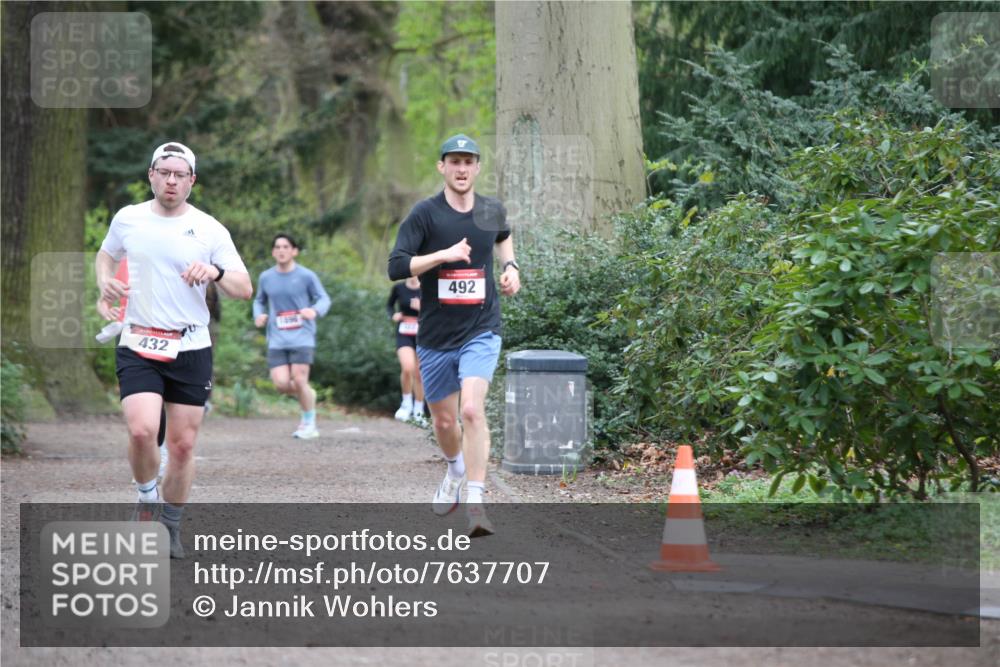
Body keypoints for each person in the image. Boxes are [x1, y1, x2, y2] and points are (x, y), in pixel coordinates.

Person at [96, 141, 252, 558]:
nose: (171, 180)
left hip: (190, 346)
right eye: (163, 172)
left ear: (191, 181)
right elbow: (106, 256)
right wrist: (104, 284)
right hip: (139, 340)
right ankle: (147, 497)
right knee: (142, 429)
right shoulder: (128, 219)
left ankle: (170, 526)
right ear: (151, 174)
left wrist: (216, 271)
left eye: (179, 174)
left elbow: (243, 287)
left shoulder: (210, 229)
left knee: (182, 446)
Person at [388, 134, 521, 537]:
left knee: (471, 411)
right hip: (434, 336)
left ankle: (477, 502)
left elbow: (503, 236)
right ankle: (454, 471)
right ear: (441, 167)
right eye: (454, 162)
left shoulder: (490, 210)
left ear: (478, 168)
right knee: (445, 422)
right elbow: (397, 267)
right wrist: (442, 256)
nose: (462, 169)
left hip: (481, 329)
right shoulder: (425, 215)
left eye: (469, 162)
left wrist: (511, 266)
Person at [253, 234, 331, 439]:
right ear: (273, 252)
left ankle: (309, 423)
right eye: (277, 247)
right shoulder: (266, 277)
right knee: (281, 384)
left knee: (299, 379)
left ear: (294, 251)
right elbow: (259, 301)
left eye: (286, 246)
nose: (281, 250)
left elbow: (324, 298)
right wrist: (258, 315)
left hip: (302, 337)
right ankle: (308, 394)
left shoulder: (306, 276)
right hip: (277, 338)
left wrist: (315, 311)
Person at [386, 276, 428, 425]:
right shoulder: (399, 288)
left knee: (419, 373)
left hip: (422, 333)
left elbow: (436, 310)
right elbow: (389, 306)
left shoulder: (427, 286)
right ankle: (406, 403)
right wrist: (393, 315)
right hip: (404, 332)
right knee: (407, 367)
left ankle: (418, 409)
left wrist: (422, 308)